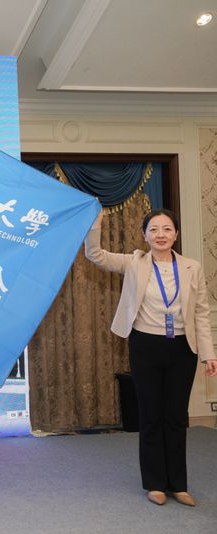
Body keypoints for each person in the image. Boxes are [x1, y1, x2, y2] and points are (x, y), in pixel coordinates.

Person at [84, 207, 217, 507]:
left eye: (167, 229)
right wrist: (95, 224)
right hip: (145, 345)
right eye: (154, 229)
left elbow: (201, 312)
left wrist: (209, 354)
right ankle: (155, 484)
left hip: (183, 349)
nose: (160, 235)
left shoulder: (192, 267)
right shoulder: (134, 262)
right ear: (144, 235)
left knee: (176, 416)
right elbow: (96, 255)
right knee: (151, 415)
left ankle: (178, 485)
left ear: (176, 235)